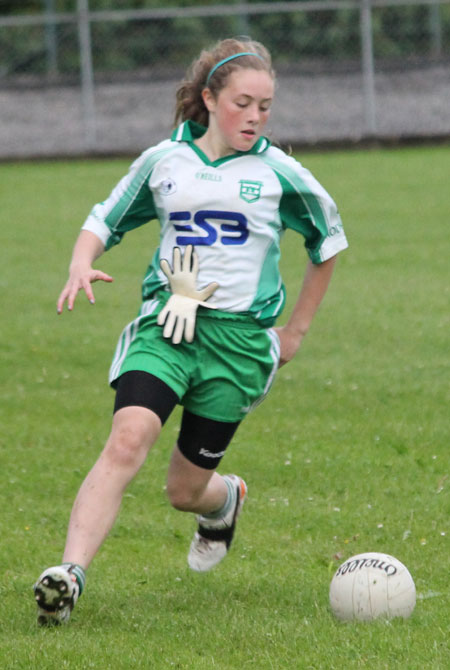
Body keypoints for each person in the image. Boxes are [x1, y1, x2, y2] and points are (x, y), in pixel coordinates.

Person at [33, 37, 348, 625]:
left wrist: (296, 333)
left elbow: (327, 244)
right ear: (209, 99)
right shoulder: (164, 162)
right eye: (243, 103)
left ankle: (224, 500)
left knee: (184, 490)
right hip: (167, 326)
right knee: (127, 438)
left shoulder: (281, 174)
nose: (255, 117)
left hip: (239, 347)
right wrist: (82, 260)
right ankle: (69, 575)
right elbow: (103, 219)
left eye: (266, 106)